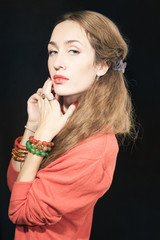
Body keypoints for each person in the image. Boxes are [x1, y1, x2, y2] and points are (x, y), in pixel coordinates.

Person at [7, 10, 136, 240]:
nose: (57, 63)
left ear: (102, 66)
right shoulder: (54, 116)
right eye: (52, 51)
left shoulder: (96, 148)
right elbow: (15, 183)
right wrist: (33, 125)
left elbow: (19, 210)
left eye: (73, 51)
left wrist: (43, 134)